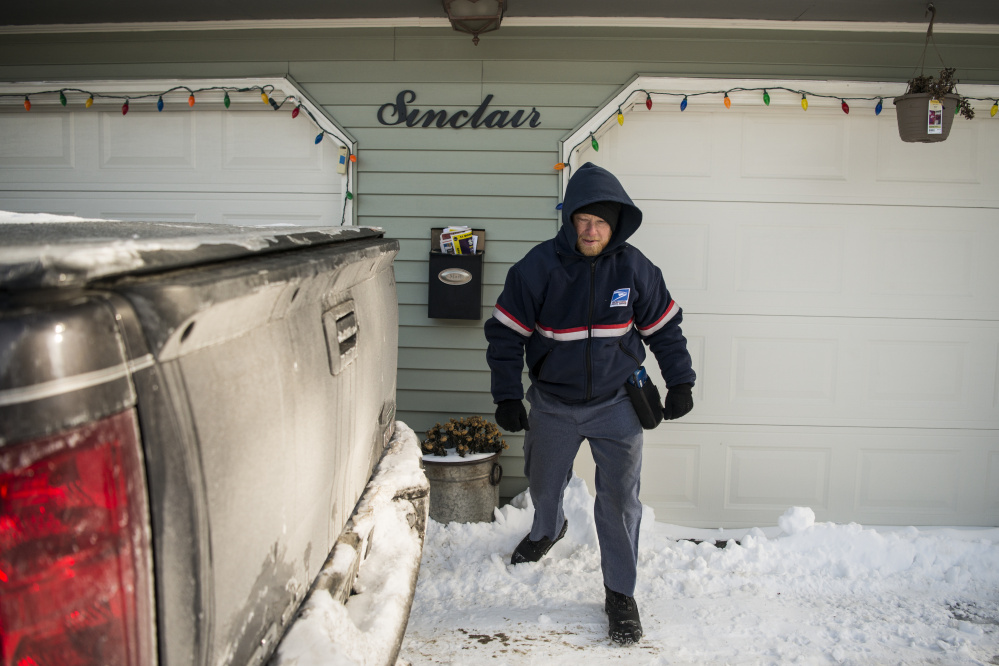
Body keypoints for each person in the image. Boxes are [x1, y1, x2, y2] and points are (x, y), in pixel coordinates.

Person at [483, 162, 695, 645]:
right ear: (569, 220)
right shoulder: (536, 269)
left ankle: (620, 593)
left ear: (615, 224)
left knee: (620, 500)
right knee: (543, 479)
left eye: (600, 222)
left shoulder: (636, 268)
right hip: (554, 402)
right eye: (583, 220)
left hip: (617, 402)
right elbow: (505, 336)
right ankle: (547, 529)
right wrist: (507, 395)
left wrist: (680, 381)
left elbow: (664, 329)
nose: (591, 230)